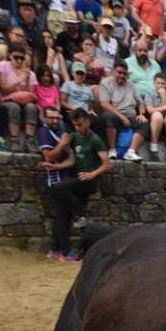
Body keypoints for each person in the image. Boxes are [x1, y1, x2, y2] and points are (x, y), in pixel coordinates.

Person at [44, 107, 109, 260]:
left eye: (80, 124)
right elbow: (71, 160)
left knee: (58, 189)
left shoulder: (95, 140)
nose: (78, 128)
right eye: (75, 125)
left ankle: (81, 213)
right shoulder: (74, 137)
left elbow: (106, 164)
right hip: (76, 182)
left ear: (87, 122)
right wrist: (55, 167)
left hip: (88, 182)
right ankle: (58, 250)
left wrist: (91, 174)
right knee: (62, 213)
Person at [37, 106, 78, 261]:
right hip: (55, 180)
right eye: (51, 117)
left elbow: (71, 159)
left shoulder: (61, 131)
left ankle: (55, 250)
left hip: (64, 177)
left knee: (64, 215)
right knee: (62, 216)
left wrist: (56, 166)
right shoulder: (44, 132)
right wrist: (61, 144)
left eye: (57, 117)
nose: (55, 120)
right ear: (45, 118)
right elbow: (48, 157)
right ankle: (65, 252)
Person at [97, 58, 147, 158]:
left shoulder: (131, 84)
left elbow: (140, 102)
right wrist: (122, 117)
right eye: (119, 72)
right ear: (113, 71)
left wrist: (142, 114)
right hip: (115, 114)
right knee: (109, 116)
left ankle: (131, 152)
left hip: (130, 116)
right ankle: (112, 150)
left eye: (124, 73)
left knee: (144, 123)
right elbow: (104, 104)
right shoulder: (106, 83)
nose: (122, 75)